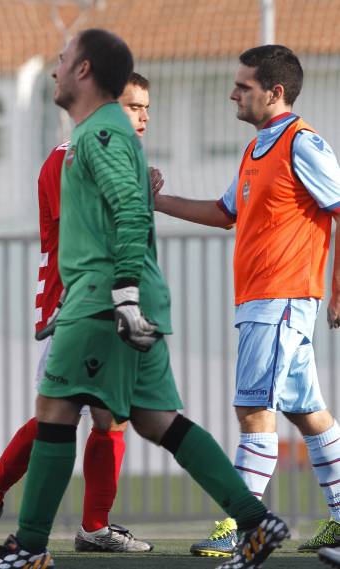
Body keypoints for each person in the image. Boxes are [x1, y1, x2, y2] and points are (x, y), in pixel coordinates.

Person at [0, 29, 288, 569]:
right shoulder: (105, 133)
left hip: (101, 301)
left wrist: (124, 295)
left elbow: (133, 213)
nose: (54, 70)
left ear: (84, 71)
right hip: (123, 300)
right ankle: (255, 521)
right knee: (159, 420)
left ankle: (28, 547)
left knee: (55, 408)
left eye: (62, 61)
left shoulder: (99, 135)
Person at [153, 44, 340, 556]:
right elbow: (223, 211)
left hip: (280, 298)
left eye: (244, 86)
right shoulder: (257, 146)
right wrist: (158, 201)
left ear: (274, 93)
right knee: (308, 413)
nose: (232, 93)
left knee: (253, 408)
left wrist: (338, 287)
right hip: (264, 300)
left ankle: (243, 524)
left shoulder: (304, 143)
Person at [0, 72, 161, 554]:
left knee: (107, 416)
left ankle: (92, 526)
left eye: (145, 108)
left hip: (106, 304)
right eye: (131, 106)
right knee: (63, 415)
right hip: (76, 305)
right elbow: (92, 234)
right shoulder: (69, 158)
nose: (141, 117)